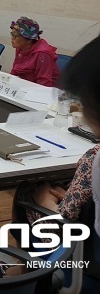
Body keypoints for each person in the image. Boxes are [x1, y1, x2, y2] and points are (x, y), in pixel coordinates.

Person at [63, 36, 100, 236]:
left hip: (79, 246)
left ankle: (26, 265)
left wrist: (45, 202)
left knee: (27, 194)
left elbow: (66, 218)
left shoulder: (94, 158)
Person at [10, 16, 59, 87]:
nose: (12, 38)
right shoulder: (20, 48)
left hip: (44, 91)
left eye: (15, 35)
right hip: (25, 86)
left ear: (29, 39)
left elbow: (43, 84)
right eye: (12, 34)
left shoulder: (43, 54)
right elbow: (15, 71)